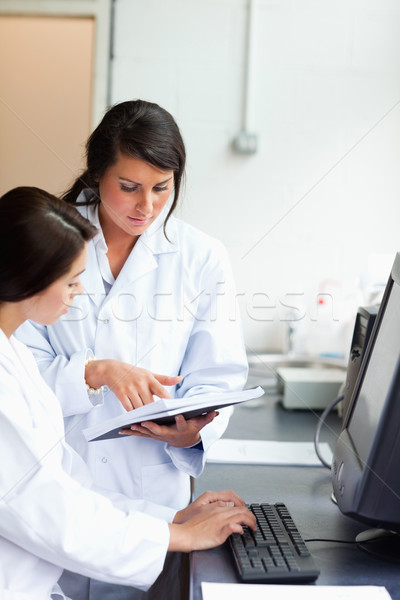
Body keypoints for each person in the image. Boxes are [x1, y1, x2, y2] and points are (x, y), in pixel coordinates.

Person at [16, 100, 248, 598]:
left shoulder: (200, 258)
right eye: (129, 187)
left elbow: (220, 375)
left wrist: (192, 432)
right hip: (51, 480)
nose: (146, 206)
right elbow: (16, 367)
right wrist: (94, 372)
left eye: (161, 188)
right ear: (97, 174)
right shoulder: (48, 241)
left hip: (148, 486)